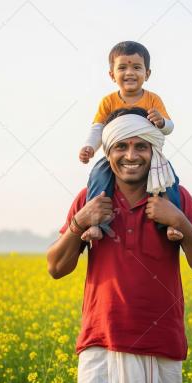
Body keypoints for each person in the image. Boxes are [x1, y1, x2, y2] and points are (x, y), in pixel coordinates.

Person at [48, 108, 192, 383]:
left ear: (154, 151)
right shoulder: (90, 199)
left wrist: (178, 220)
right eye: (121, 147)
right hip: (100, 343)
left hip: (161, 346)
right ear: (108, 151)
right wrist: (80, 222)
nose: (131, 155)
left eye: (141, 146)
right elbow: (56, 267)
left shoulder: (176, 198)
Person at [78, 40, 183, 243]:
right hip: (114, 158)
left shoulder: (153, 99)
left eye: (137, 67)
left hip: (151, 157)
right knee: (98, 177)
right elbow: (98, 129)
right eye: (123, 68)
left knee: (169, 181)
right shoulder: (108, 101)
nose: (130, 73)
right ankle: (95, 225)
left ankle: (172, 224)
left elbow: (169, 127)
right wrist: (89, 147)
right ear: (112, 75)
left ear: (147, 74)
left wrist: (161, 122)